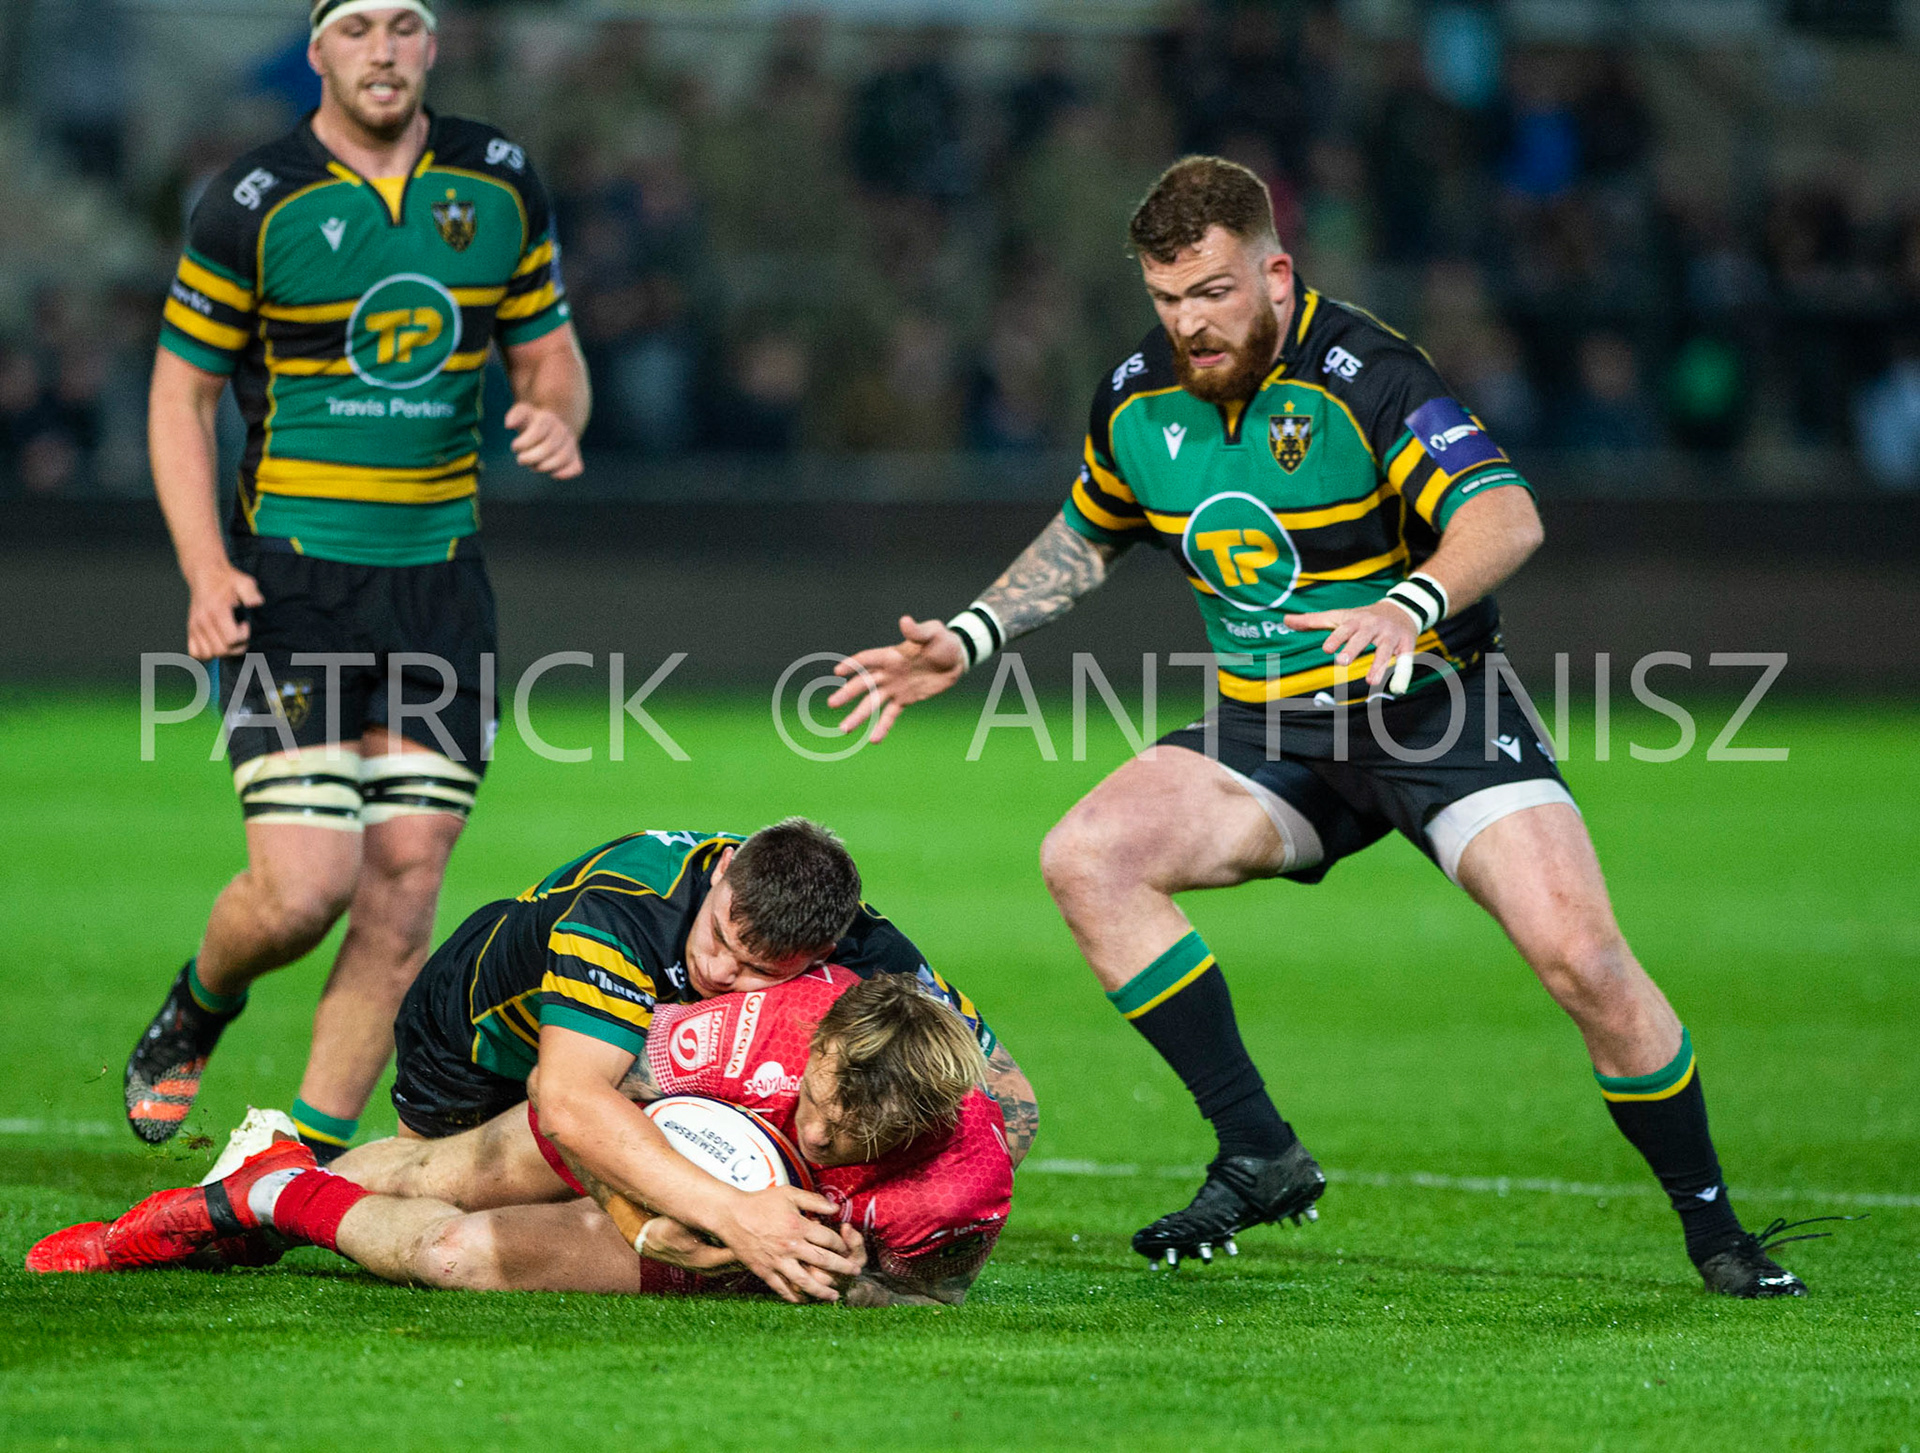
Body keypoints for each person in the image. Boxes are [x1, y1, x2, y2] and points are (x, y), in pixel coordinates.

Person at [828, 156, 1810, 1298]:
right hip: (1273, 729)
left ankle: (1718, 1231)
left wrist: (1407, 604)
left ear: (1276, 272)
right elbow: (1089, 530)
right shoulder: (1139, 394)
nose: (1189, 324)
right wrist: (971, 635)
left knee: (1582, 956)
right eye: (1166, 297)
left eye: (1213, 292)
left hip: (1433, 709)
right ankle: (1259, 1149)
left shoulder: (1370, 373)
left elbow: (1507, 512)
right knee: (1089, 856)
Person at [131, 0, 591, 1161]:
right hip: (291, 590)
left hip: (439, 590)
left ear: (433, 45)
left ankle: (302, 1157)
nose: (381, 50)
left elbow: (548, 355)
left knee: (404, 881)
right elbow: (179, 395)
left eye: (403, 25)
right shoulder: (254, 200)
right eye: (354, 28)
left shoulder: (496, 182)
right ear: (317, 49)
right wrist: (202, 569)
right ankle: (199, 1002)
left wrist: (554, 414)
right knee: (302, 888)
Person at [33, 968, 1016, 1308]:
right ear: (821, 1041)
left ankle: (268, 1192)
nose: (815, 1126)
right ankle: (252, 1205)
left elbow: (920, 1290)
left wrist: (841, 1277)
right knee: (430, 1169)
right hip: (649, 1137)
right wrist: (645, 1215)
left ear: (916, 1134)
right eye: (816, 1098)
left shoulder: (959, 1184)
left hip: (727, 1245)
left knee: (453, 1254)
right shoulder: (764, 1025)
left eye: (845, 1136)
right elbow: (567, 1100)